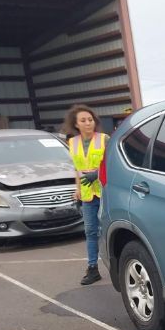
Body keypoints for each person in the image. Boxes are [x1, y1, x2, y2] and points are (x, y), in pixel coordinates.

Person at [62, 105, 107, 285]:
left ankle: (117, 264)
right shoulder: (72, 143)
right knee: (90, 231)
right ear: (76, 124)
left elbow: (111, 163)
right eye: (83, 120)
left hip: (105, 191)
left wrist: (96, 173)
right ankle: (92, 268)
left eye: (90, 120)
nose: (88, 123)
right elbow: (76, 168)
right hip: (88, 194)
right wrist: (78, 188)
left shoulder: (104, 139)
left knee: (108, 230)